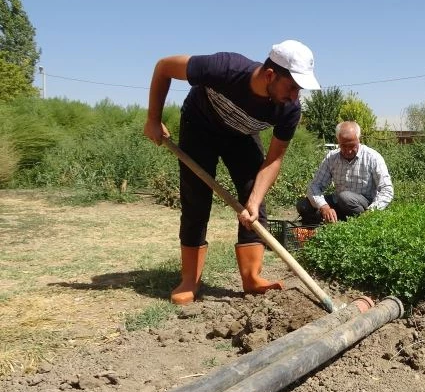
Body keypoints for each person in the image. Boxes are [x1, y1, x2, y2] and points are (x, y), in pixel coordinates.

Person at [144, 40, 321, 305]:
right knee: (196, 199)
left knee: (254, 200)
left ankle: (252, 277)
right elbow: (164, 67)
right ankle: (190, 279)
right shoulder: (224, 68)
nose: (295, 97)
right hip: (200, 126)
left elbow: (274, 159)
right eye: (292, 87)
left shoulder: (289, 109)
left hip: (241, 136)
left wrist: (254, 201)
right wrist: (153, 119)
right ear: (270, 75)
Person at [296, 121, 394, 224]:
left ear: (359, 139)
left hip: (363, 205)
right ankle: (335, 220)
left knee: (345, 197)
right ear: (338, 141)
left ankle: (360, 223)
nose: (348, 150)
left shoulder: (372, 157)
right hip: (339, 201)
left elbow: (387, 189)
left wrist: (371, 212)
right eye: (343, 146)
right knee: (303, 205)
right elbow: (315, 185)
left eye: (352, 145)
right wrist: (324, 207)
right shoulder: (332, 157)